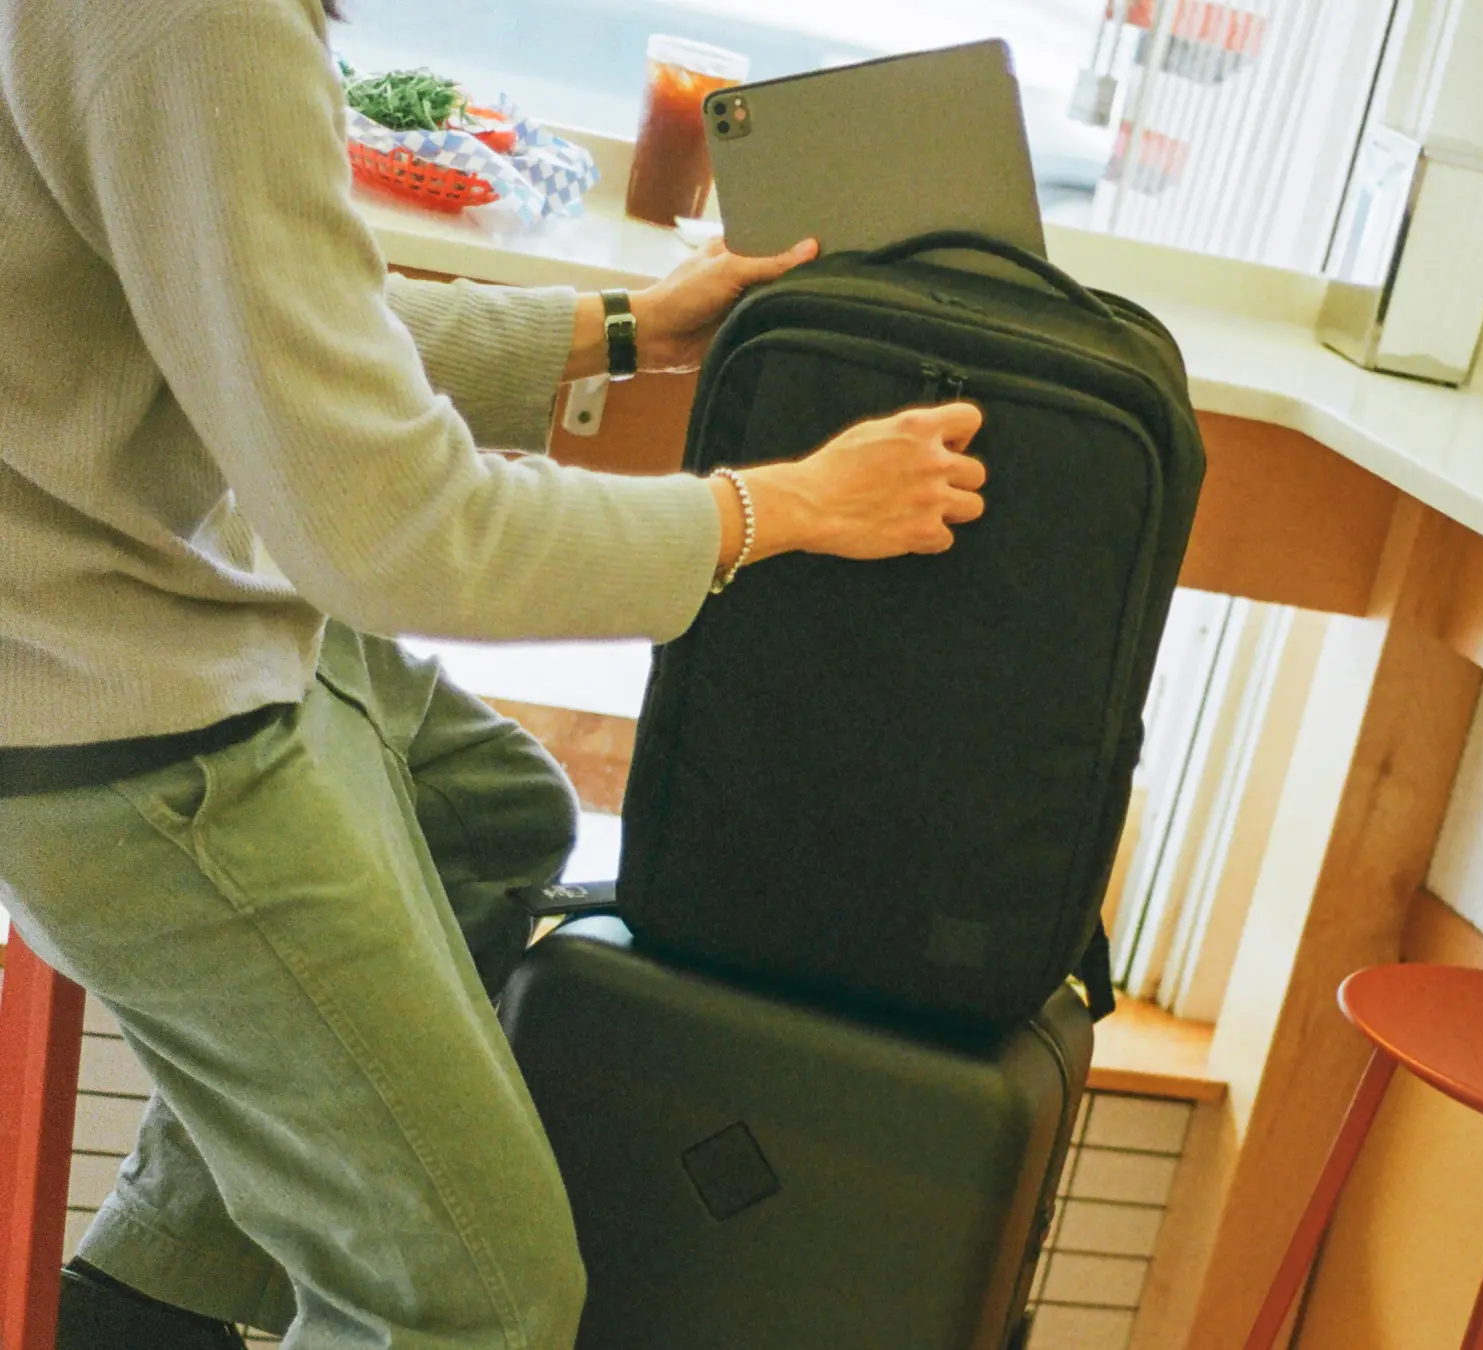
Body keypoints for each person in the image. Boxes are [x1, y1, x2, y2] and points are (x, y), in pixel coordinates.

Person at [0, 0, 987, 1345]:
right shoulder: (196, 20)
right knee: (475, 1299)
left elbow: (271, 303)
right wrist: (777, 508)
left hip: (134, 618)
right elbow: (400, 532)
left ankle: (147, 1297)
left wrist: (626, 325)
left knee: (491, 814)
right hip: (121, 718)